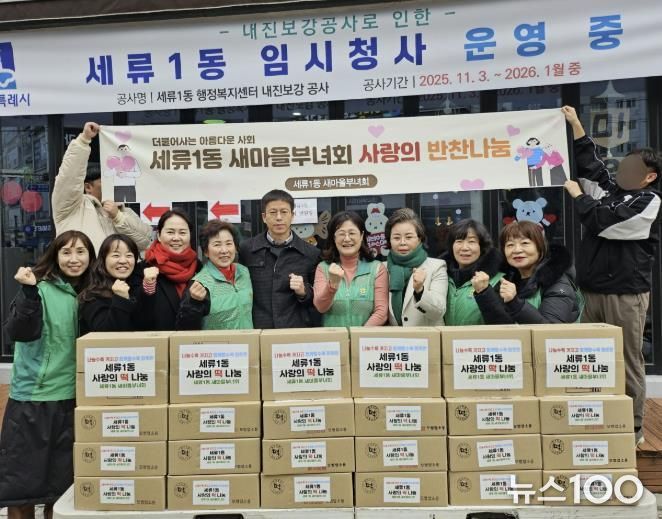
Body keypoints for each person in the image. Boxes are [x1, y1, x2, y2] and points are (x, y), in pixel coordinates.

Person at [562, 105, 662, 446]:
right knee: (590, 360)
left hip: (625, 294)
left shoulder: (649, 201)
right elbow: (592, 166)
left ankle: (632, 428)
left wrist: (578, 197)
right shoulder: (611, 193)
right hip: (592, 291)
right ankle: (594, 418)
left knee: (627, 359)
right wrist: (576, 124)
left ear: (649, 176)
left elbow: (604, 223)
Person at [0, 230, 95, 519]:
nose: (74, 259)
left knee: (62, 492)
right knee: (22, 491)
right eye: (66, 252)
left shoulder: (90, 292)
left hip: (72, 400)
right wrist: (28, 292)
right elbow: (19, 331)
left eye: (81, 252)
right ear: (55, 256)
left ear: (91, 257)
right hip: (33, 399)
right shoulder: (39, 288)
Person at [51, 121, 152, 253]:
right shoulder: (70, 207)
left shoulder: (123, 211)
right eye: (105, 181)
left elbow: (145, 242)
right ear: (88, 187)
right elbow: (69, 176)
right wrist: (83, 141)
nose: (111, 183)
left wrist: (118, 217)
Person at [239, 189, 320, 329]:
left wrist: (304, 292)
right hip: (259, 329)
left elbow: (318, 299)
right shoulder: (247, 249)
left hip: (294, 329)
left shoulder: (310, 253)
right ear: (264, 217)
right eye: (273, 212)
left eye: (284, 212)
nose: (278, 217)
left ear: (292, 216)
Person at [475, 220, 579, 325]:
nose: (517, 250)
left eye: (525, 243)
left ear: (540, 248)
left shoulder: (557, 282)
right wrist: (484, 293)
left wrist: (515, 302)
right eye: (510, 245)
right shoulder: (506, 280)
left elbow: (550, 330)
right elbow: (501, 326)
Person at [313, 211, 388, 326]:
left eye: (352, 233)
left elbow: (381, 313)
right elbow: (320, 307)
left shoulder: (377, 268)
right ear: (334, 237)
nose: (347, 239)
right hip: (333, 337)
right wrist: (332, 285)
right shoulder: (323, 268)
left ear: (361, 236)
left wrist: (357, 335)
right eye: (341, 234)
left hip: (365, 337)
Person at [176, 220, 253, 330]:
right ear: (206, 251)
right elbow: (184, 329)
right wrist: (194, 303)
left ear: (235, 247)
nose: (224, 250)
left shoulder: (244, 272)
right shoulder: (200, 284)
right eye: (217, 244)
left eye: (229, 243)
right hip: (219, 341)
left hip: (248, 340)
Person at [140, 209, 201, 330]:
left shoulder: (198, 267)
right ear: (159, 235)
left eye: (182, 232)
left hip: (191, 340)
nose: (176, 238)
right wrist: (148, 287)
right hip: (158, 339)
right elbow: (138, 316)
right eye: (170, 232)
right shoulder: (144, 269)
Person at [385, 208, 448, 326]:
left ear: (419, 239)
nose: (402, 242)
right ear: (389, 240)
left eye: (409, 237)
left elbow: (438, 312)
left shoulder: (436, 267)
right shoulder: (382, 269)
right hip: (394, 337)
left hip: (426, 336)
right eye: (396, 238)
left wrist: (420, 290)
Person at [79, 234, 145, 335]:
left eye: (129, 255)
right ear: (103, 260)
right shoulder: (92, 296)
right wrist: (121, 299)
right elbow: (106, 335)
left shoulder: (138, 289)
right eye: (116, 255)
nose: (123, 261)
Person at [443, 219, 506, 325]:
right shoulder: (442, 277)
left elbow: (504, 325)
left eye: (471, 241)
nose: (464, 248)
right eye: (459, 241)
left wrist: (485, 292)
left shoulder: (500, 281)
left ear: (482, 247)